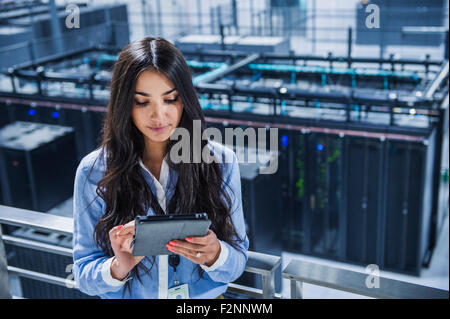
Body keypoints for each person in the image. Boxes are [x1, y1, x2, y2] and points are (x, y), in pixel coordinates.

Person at [72, 37, 249, 299]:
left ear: (185, 100)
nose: (158, 115)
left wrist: (216, 255)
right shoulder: (94, 171)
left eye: (171, 99)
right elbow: (83, 274)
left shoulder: (221, 162)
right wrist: (118, 267)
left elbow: (238, 260)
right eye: (142, 101)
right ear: (124, 105)